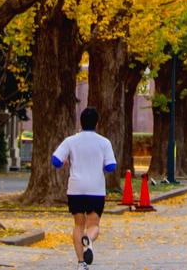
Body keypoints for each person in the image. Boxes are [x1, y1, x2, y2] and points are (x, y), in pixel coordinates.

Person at [50, 106, 117, 268]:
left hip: (76, 189)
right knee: (93, 225)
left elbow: (55, 161)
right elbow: (111, 166)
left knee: (78, 225)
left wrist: (64, 162)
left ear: (80, 122)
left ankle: (81, 263)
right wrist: (102, 165)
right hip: (96, 189)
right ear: (97, 124)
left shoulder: (71, 141)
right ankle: (89, 240)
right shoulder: (104, 142)